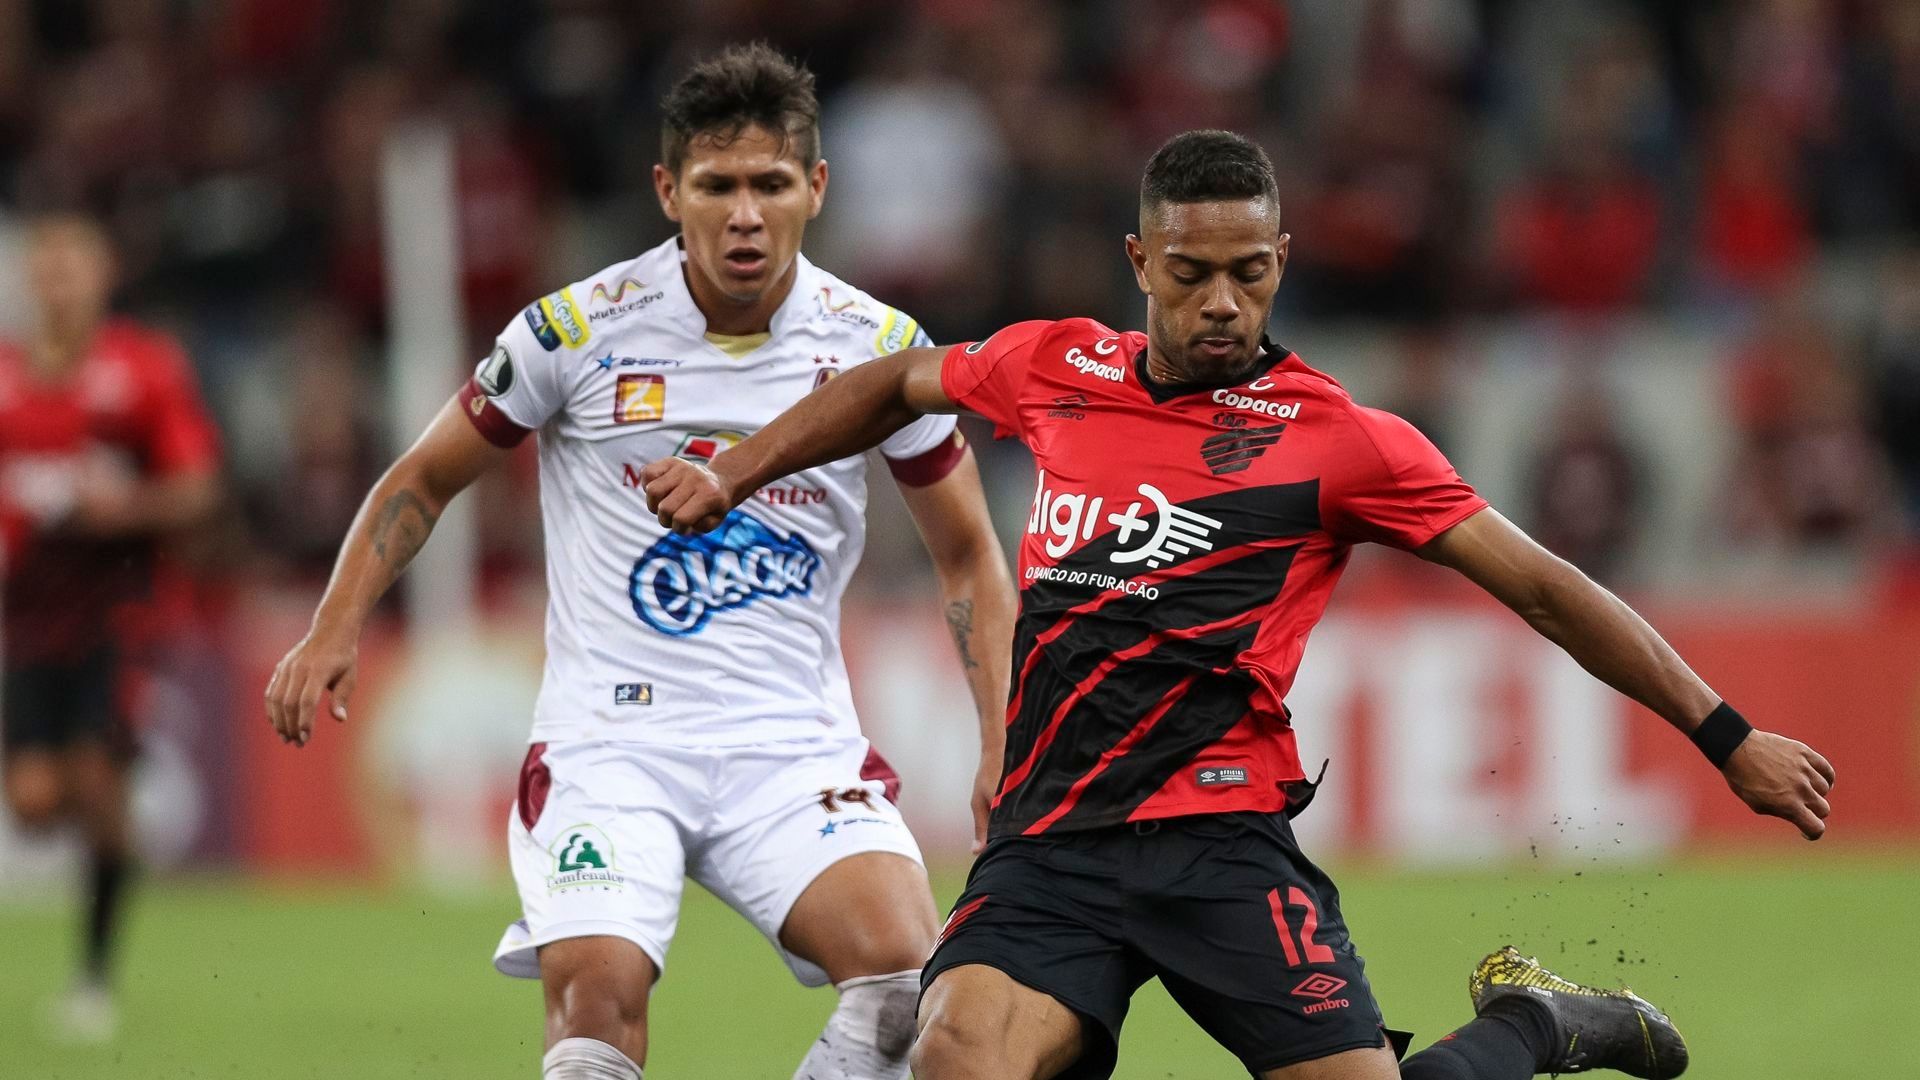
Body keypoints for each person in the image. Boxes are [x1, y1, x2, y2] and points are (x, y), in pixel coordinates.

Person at [642, 130, 1839, 1080]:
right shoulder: (1058, 368)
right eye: (1192, 273)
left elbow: (1547, 589)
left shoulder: (1343, 441)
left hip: (1220, 840)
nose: (1222, 301)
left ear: (1281, 261)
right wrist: (732, 471)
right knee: (957, 1058)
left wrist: (1724, 734)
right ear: (1139, 262)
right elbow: (891, 383)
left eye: (1249, 273)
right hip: (1050, 844)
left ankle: (1534, 1025)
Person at [264, 44, 1014, 1080]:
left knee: (905, 986)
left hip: (790, 745)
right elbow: (423, 478)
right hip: (614, 742)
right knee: (596, 1009)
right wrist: (333, 624)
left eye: (770, 184)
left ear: (817, 189)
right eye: (716, 186)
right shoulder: (575, 331)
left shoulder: (877, 347)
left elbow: (971, 555)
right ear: (670, 191)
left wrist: (998, 740)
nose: (743, 214)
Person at [0, 211, 222, 1041]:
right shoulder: (7, 379)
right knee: (32, 804)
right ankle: (117, 846)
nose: (57, 284)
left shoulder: (143, 370)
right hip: (24, 618)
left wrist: (119, 507)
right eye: (45, 269)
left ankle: (92, 979)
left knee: (94, 784)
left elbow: (199, 487)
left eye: (73, 267)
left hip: (117, 609)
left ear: (102, 277)